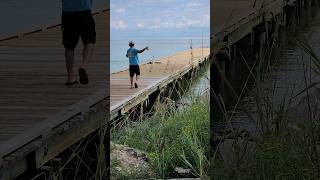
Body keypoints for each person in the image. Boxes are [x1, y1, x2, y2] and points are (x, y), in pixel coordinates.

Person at [62, 0, 96, 85]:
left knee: (69, 46)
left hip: (68, 13)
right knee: (90, 41)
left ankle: (70, 78)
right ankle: (83, 66)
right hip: (85, 12)